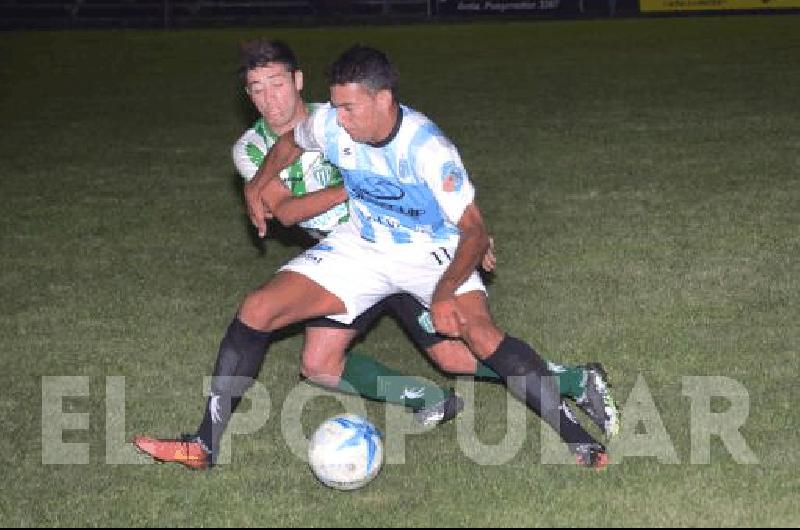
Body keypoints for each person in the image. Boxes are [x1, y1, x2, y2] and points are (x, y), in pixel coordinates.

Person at [134, 42, 619, 471]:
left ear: (382, 99)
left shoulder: (427, 148)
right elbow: (289, 143)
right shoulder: (329, 123)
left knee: (473, 339)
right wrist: (259, 182)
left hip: (430, 252)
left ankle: (577, 434)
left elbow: (473, 230)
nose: (337, 120)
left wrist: (446, 290)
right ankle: (203, 444)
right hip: (362, 245)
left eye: (349, 109)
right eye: (337, 109)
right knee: (258, 309)